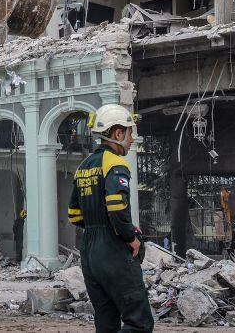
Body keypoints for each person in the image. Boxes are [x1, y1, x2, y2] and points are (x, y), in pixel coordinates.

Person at [67, 104, 153, 332]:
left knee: (106, 323)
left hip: (89, 252)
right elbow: (116, 205)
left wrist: (97, 223)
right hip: (112, 249)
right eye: (130, 132)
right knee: (139, 322)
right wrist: (128, 235)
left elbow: (74, 214)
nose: (132, 139)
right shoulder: (116, 163)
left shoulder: (83, 166)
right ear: (117, 133)